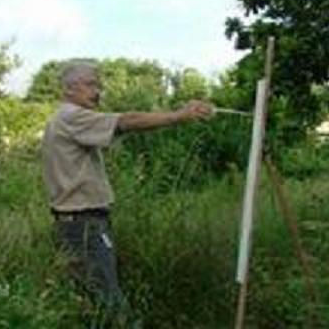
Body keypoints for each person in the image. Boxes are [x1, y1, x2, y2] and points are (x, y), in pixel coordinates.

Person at [41, 61, 213, 312]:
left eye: (99, 85)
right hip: (83, 223)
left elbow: (119, 128)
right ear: (69, 88)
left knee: (89, 303)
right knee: (112, 307)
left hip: (76, 222)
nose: (97, 91)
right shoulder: (71, 116)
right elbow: (126, 121)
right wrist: (179, 115)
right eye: (90, 84)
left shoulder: (68, 118)